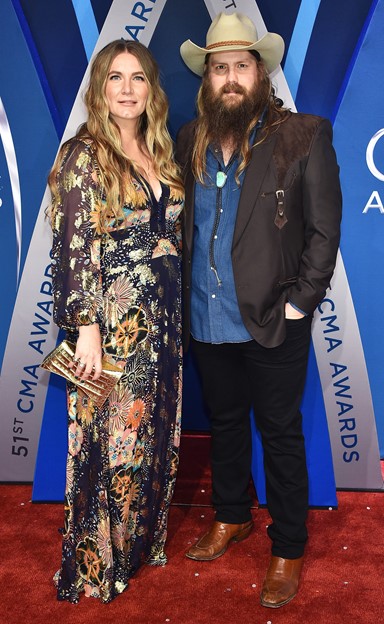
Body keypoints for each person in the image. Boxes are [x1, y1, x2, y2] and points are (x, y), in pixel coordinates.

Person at [177, 12, 341, 608]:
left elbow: (324, 231)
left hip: (275, 317)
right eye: (219, 68)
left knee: (278, 430)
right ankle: (231, 515)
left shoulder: (302, 135)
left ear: (260, 72)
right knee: (223, 423)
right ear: (206, 79)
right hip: (206, 314)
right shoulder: (189, 137)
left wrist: (301, 304)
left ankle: (289, 545)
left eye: (240, 66)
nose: (230, 78)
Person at [48, 39, 184, 603]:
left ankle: (138, 543)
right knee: (111, 441)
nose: (127, 89)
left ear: (152, 89)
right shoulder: (86, 153)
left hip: (162, 322)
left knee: (150, 435)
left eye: (138, 78)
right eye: (115, 78)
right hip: (112, 325)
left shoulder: (160, 149)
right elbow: (74, 246)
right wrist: (85, 327)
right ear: (99, 88)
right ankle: (99, 561)